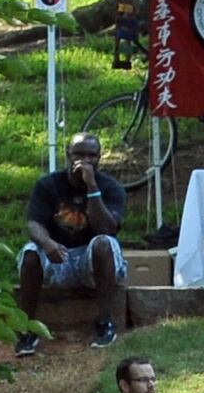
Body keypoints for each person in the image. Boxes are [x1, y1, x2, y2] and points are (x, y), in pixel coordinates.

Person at [14, 129, 128, 359]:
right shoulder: (48, 184)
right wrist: (48, 244)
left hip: (91, 259)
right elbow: (34, 224)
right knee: (29, 254)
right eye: (79, 155)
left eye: (91, 156)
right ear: (68, 155)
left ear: (99, 158)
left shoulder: (110, 187)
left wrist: (92, 187)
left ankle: (104, 324)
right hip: (58, 255)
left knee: (104, 243)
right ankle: (26, 330)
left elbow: (107, 228)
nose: (85, 161)